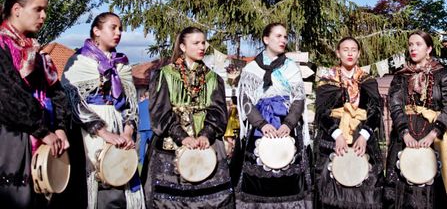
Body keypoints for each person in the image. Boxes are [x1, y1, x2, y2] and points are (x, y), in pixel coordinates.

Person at [143, 27, 233, 208]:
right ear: (183, 47)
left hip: (205, 144)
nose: (201, 47)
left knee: (211, 198)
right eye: (196, 43)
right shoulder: (165, 75)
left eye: (203, 43)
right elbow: (160, 113)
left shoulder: (213, 78)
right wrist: (182, 137)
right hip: (171, 145)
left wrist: (206, 134)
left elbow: (218, 112)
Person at [62, 12, 144, 208]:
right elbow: (73, 102)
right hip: (88, 132)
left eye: (120, 29)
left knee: (120, 174)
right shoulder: (79, 62)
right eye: (113, 27)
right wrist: (102, 131)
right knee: (95, 177)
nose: (118, 33)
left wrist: (128, 130)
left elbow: (131, 101)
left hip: (118, 124)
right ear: (96, 31)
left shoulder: (122, 64)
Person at [0, 0, 70, 208]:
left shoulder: (36, 52)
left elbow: (56, 91)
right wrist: (41, 130)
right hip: (10, 136)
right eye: (38, 9)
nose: (44, 16)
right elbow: (7, 94)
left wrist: (59, 127)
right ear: (17, 9)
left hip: (44, 136)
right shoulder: (2, 44)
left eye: (45, 10)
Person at [233, 22, 312, 208]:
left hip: (286, 126)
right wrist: (261, 124)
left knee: (288, 176)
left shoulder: (291, 67)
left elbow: (298, 99)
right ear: (266, 39)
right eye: (278, 36)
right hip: (261, 127)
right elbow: (245, 101)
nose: (283, 40)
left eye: (285, 36)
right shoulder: (251, 69)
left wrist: (289, 124)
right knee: (259, 178)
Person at [384, 30, 447, 209]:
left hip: (434, 134)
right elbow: (395, 106)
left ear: (429, 48)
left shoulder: (444, 74)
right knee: (402, 183)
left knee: (434, 187)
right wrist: (404, 133)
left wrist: (434, 133)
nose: (413, 48)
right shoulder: (401, 76)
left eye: (418, 44)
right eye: (410, 44)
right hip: (405, 135)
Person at [314, 36, 384, 208]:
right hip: (332, 136)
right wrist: (337, 135)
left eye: (353, 49)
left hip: (362, 135)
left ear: (359, 53)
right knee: (331, 187)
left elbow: (375, 111)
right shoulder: (327, 79)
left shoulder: (368, 80)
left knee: (365, 187)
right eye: (345, 49)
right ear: (338, 53)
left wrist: (364, 135)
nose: (350, 53)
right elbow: (321, 112)